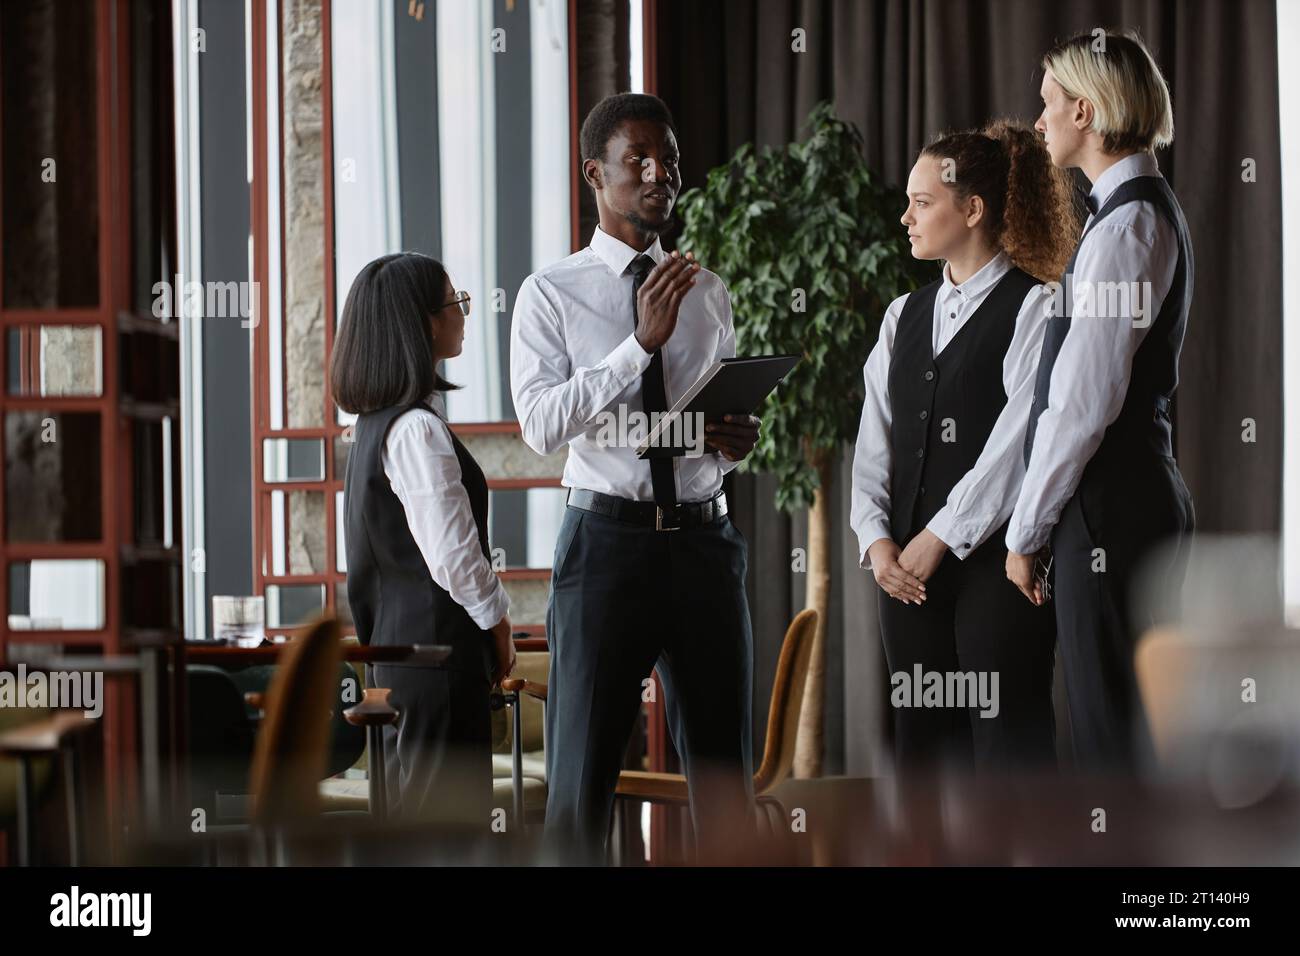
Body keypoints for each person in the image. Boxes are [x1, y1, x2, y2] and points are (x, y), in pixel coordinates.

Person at [510, 93, 761, 862]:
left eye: (671, 161)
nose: (661, 175)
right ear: (596, 173)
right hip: (606, 549)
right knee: (581, 784)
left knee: (725, 782)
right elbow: (542, 426)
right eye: (640, 161)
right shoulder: (550, 293)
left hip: (704, 544)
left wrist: (732, 440)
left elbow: (695, 429)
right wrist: (637, 347)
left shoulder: (707, 291)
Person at [851, 120, 1078, 772]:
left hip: (997, 573)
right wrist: (876, 539)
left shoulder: (1036, 308)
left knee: (1009, 754)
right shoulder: (901, 317)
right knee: (923, 760)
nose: (906, 218)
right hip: (903, 577)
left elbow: (1018, 446)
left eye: (922, 203)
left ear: (972, 209)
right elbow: (874, 445)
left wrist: (940, 536)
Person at [1006, 31, 1195, 773]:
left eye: (1049, 103)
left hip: (1112, 508)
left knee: (1112, 745)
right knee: (1119, 736)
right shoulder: (1126, 216)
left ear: (1086, 111)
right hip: (1119, 505)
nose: (1039, 119)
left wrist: (1025, 532)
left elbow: (1083, 404)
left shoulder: (1128, 226)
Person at [332, 252, 516, 822]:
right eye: (454, 303)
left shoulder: (374, 427)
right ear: (420, 323)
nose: (464, 313)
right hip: (437, 668)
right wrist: (500, 626)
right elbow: (456, 560)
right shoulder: (416, 430)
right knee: (448, 842)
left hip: (401, 665)